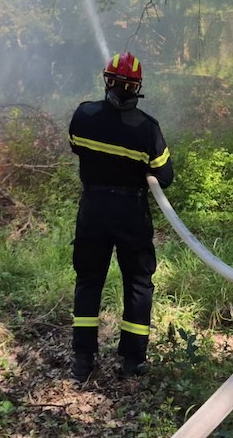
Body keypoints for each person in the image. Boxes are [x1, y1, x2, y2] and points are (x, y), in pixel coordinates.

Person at [68, 52, 174, 381]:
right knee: (138, 283)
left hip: (93, 209)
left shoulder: (84, 115)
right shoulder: (147, 128)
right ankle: (132, 360)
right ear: (138, 87)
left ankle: (83, 359)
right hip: (131, 212)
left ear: (107, 81)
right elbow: (165, 175)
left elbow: (76, 146)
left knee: (89, 280)